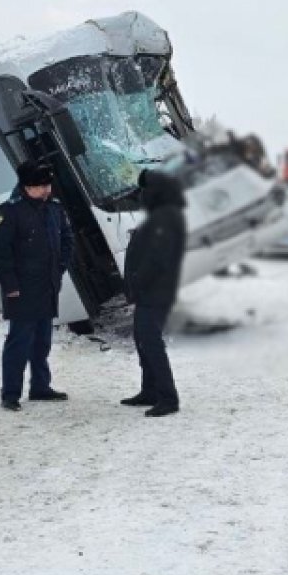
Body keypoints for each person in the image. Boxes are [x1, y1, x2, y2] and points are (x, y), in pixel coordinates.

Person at [0, 160, 74, 411]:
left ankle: (40, 386)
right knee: (19, 342)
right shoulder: (10, 211)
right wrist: (10, 286)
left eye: (48, 185)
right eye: (41, 186)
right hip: (22, 289)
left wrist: (59, 269)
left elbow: (67, 239)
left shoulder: (54, 209)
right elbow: (0, 252)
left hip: (47, 285)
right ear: (26, 187)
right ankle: (10, 393)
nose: (47, 190)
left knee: (43, 340)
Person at [121, 169, 186, 417]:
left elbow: (156, 258)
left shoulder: (164, 218)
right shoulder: (162, 214)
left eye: (143, 193)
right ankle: (149, 390)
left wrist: (138, 280)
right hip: (150, 291)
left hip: (155, 292)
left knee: (151, 342)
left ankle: (168, 397)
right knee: (142, 340)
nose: (140, 198)